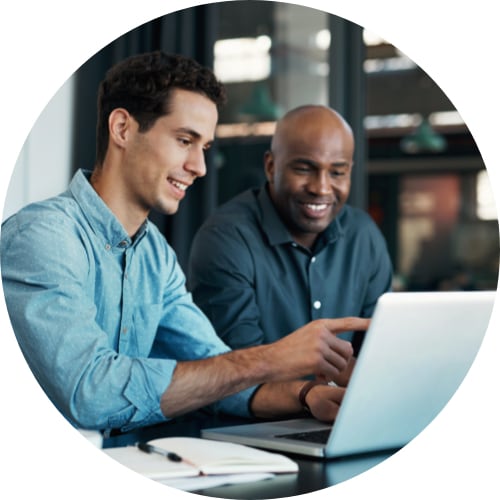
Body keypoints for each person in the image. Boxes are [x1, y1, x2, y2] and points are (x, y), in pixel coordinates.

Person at [1, 52, 368, 434]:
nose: (199, 166)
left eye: (204, 147)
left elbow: (216, 373)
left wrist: (307, 394)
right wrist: (272, 359)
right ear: (123, 129)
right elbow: (91, 393)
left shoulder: (155, 255)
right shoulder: (41, 238)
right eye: (184, 140)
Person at [189, 105, 392, 356]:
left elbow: (379, 350)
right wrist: (312, 393)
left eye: (337, 172)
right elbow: (237, 366)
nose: (321, 188)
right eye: (304, 169)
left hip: (347, 396)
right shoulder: (226, 238)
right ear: (271, 166)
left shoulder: (363, 236)